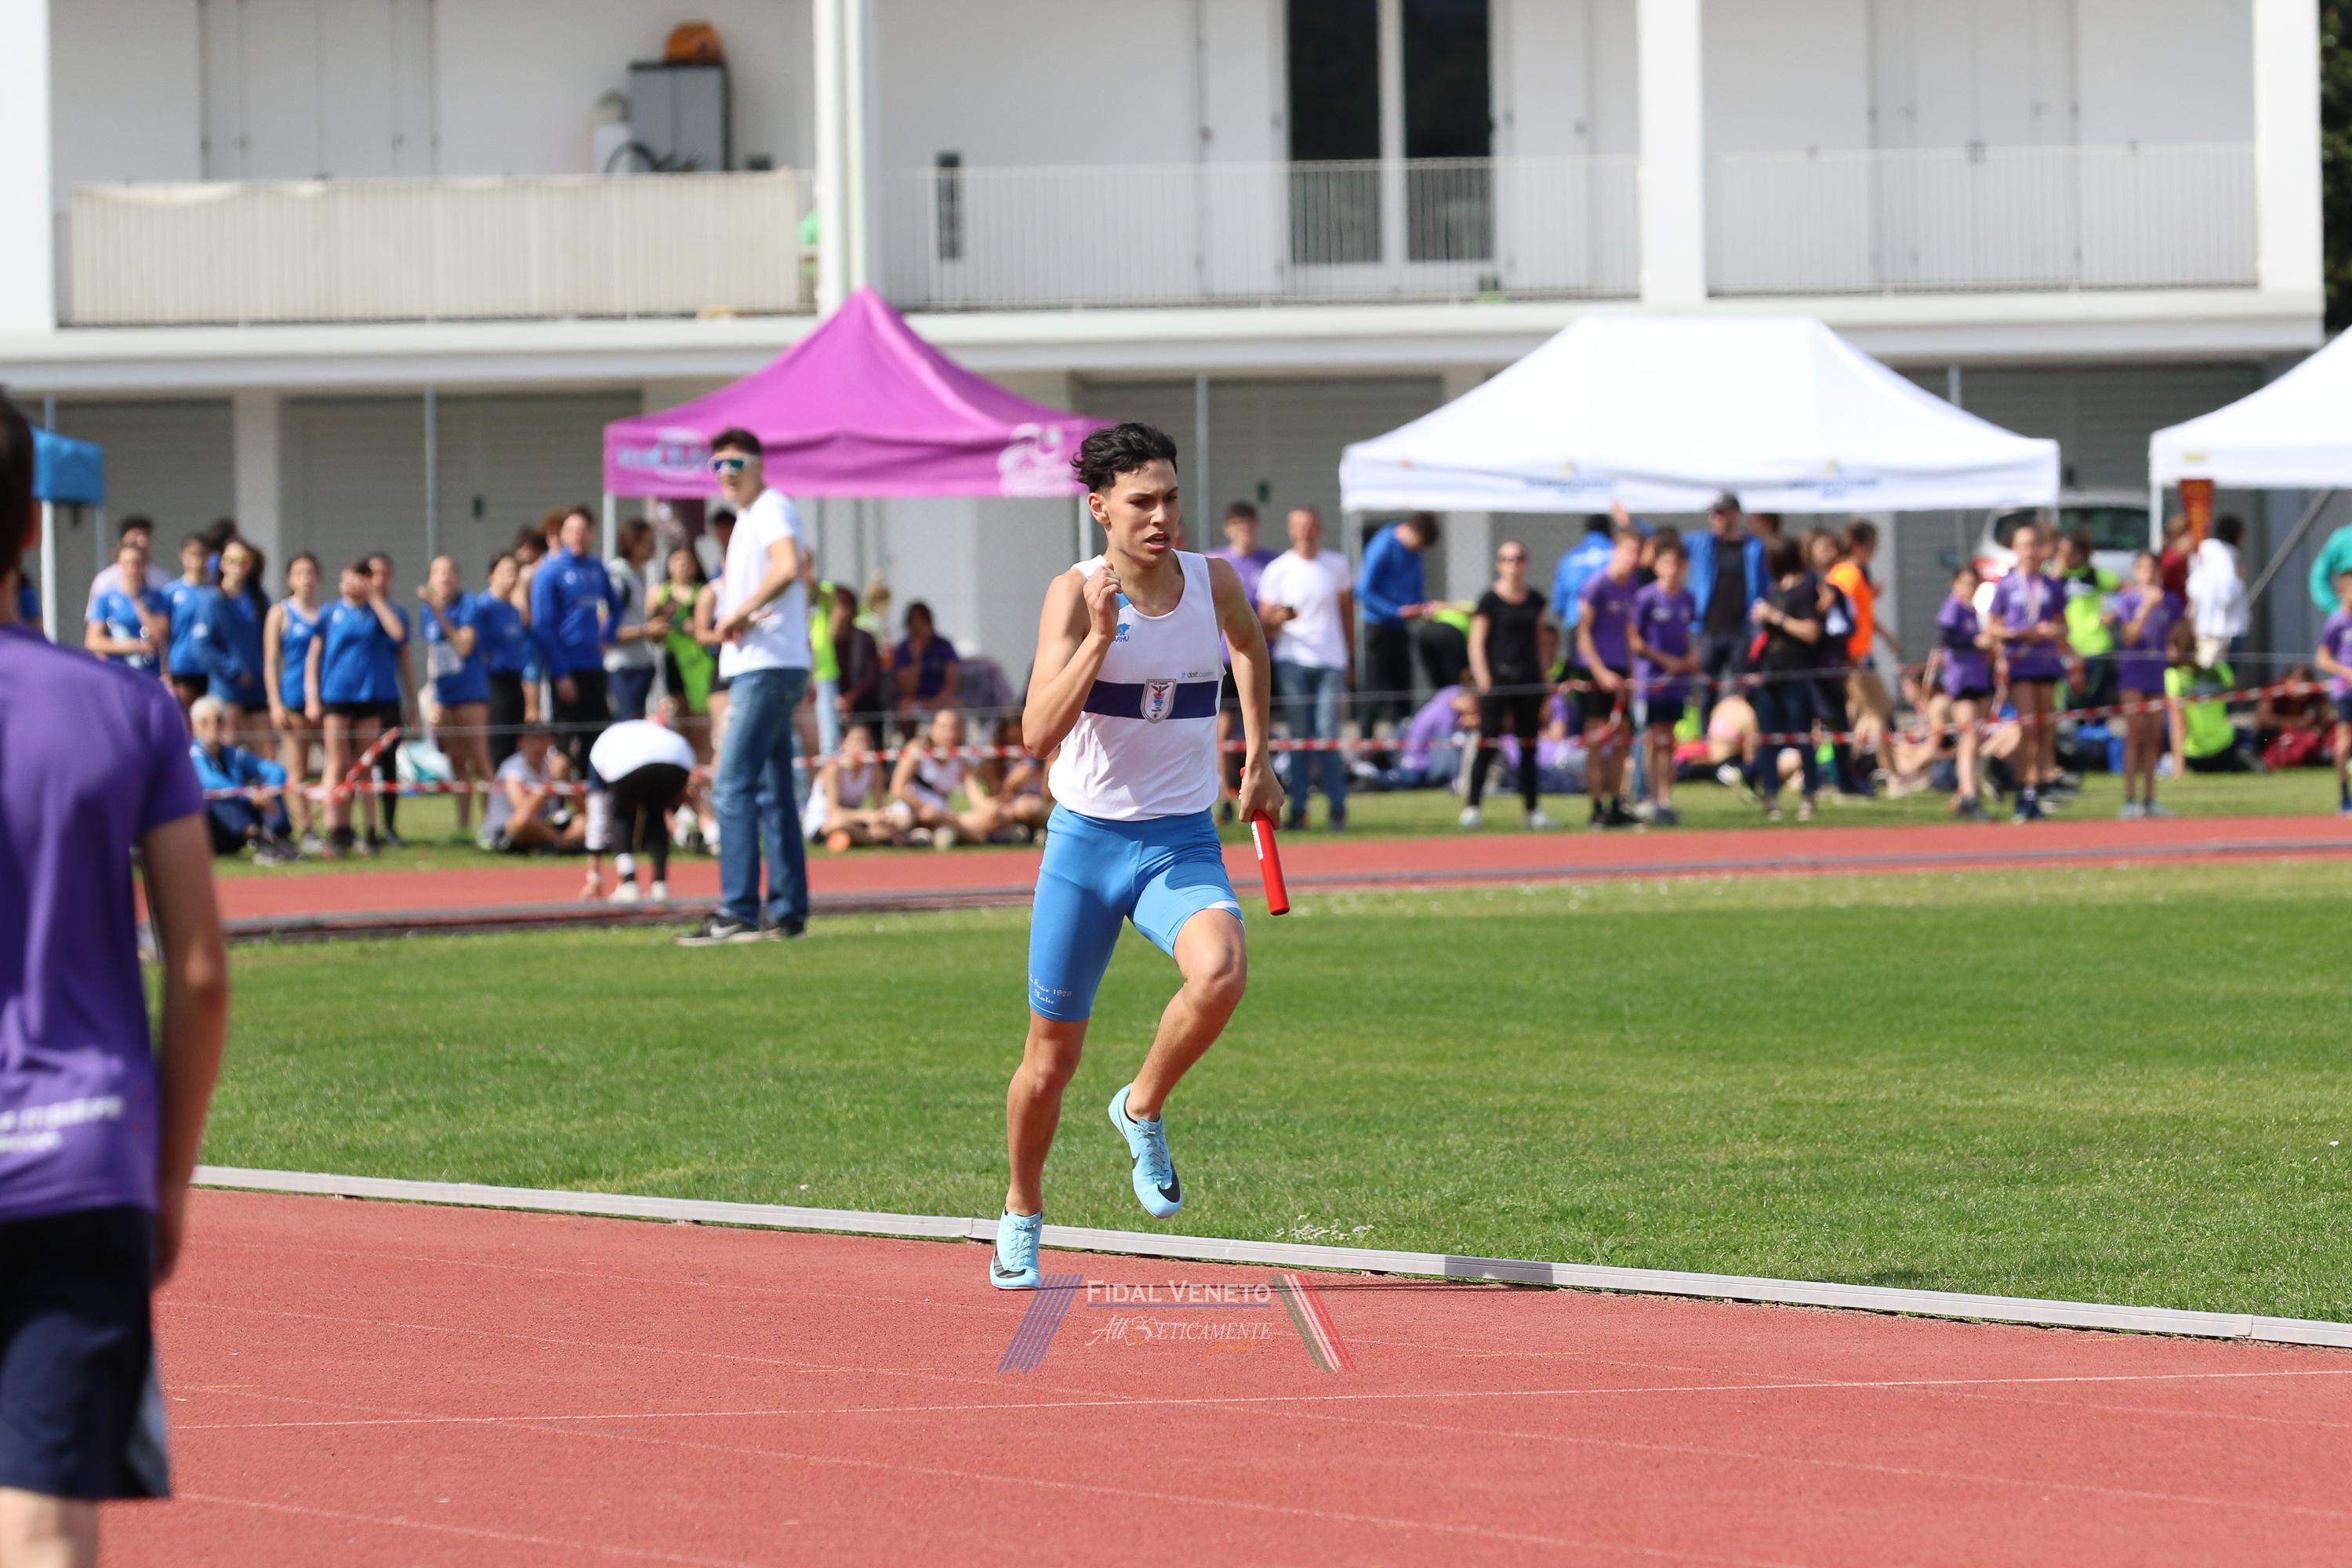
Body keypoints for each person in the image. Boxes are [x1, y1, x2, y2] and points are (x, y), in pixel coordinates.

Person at [0, 400, 228, 1564]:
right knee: (46, 1529)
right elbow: (199, 969)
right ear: (31, 529)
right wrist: (168, 1178)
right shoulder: (128, 708)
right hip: (78, 1156)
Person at [990, 421, 1281, 1292]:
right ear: (1100, 508)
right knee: (1049, 1061)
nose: (1162, 517)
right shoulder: (1073, 593)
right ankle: (1021, 1209)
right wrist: (1097, 637)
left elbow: (1248, 644)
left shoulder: (1213, 580)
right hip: (1086, 845)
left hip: (1179, 839)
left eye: (1171, 499)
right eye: (1142, 502)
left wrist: (1259, 756)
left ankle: (1142, 1104)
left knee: (1221, 972)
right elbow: (1036, 734)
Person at [676, 430, 814, 946]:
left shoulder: (770, 507)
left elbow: (787, 566)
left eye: (735, 462)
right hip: (768, 664)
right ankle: (787, 911)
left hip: (765, 667)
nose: (726, 473)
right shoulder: (750, 518)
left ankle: (737, 910)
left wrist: (738, 611)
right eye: (717, 465)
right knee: (774, 792)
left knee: (730, 785)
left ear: (758, 464)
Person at [1258, 506, 1353, 830]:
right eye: (1299, 525)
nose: (1305, 532)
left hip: (1331, 660)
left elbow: (1347, 613)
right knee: (1299, 737)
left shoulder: (1336, 564)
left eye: (1310, 525)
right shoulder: (1278, 569)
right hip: (1293, 659)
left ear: (1319, 528)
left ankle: (1337, 809)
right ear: (1290, 530)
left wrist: (1350, 658)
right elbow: (1264, 620)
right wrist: (1280, 617)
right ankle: (1298, 809)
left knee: (1328, 736)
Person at [305, 559, 407, 857]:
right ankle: (336, 829)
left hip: (368, 695)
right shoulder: (329, 613)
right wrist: (312, 697)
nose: (351, 584)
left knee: (365, 764)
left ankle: (371, 831)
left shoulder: (375, 613)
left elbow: (398, 635)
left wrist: (374, 596)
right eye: (347, 578)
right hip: (336, 695)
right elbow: (313, 658)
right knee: (337, 762)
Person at [1461, 539, 1553, 830]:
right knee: (1488, 741)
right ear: (1499, 564)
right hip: (1497, 678)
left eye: (1519, 558)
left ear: (1526, 563)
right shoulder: (1489, 599)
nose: (1514, 565)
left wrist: (1545, 676)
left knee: (1529, 745)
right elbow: (1476, 642)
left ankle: (1532, 810)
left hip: (1528, 679)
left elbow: (1541, 640)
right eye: (1507, 559)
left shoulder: (1534, 599)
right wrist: (1483, 678)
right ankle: (1473, 806)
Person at [1984, 524, 2067, 822]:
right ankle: (2023, 790)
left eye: (2034, 545)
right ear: (2016, 549)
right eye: (2023, 545)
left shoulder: (2051, 585)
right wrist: (2021, 633)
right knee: (2028, 728)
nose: (2029, 552)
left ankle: (2037, 789)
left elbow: (2064, 626)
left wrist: (2052, 631)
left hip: (2046, 662)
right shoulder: (2007, 585)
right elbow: (1993, 627)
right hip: (2020, 663)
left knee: (2045, 729)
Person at [530, 507, 621, 779]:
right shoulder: (550, 571)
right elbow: (542, 626)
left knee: (598, 737)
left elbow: (616, 606)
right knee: (564, 741)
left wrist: (607, 637)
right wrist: (560, 674)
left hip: (594, 665)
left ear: (592, 534)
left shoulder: (596, 568)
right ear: (562, 534)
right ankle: (559, 799)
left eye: (583, 531)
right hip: (566, 669)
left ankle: (594, 794)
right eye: (572, 531)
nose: (578, 536)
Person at [1207, 501, 1278, 819]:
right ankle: (1224, 794)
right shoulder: (1214, 563)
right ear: (1228, 529)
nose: (1244, 530)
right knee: (1222, 731)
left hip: (1258, 657)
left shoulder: (1272, 563)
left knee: (1260, 728)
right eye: (1238, 524)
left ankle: (1261, 784)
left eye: (1249, 524)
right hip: (1222, 659)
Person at [1747, 536, 1824, 822]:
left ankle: (1809, 794)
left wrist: (1776, 617)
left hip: (1796, 672)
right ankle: (1770, 795)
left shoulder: (1805, 591)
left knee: (1802, 736)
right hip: (1769, 672)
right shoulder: (1773, 589)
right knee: (1769, 738)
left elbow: (1811, 632)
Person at [417, 556, 493, 840]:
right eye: (438, 572)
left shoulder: (468, 604)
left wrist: (440, 615)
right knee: (457, 763)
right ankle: (463, 827)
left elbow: (464, 645)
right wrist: (434, 696)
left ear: (457, 578)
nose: (444, 577)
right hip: (445, 694)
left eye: (449, 572)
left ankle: (490, 825)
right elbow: (434, 655)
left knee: (480, 760)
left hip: (470, 693)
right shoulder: (426, 611)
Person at [1572, 527, 1643, 829]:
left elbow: (1629, 631)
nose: (1633, 558)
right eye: (1628, 551)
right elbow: (1582, 632)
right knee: (1597, 737)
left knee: (1623, 736)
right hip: (1594, 670)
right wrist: (1600, 672)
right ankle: (1597, 806)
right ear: (1616, 551)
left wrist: (1633, 671)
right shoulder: (1597, 584)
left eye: (1637, 553)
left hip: (1621, 669)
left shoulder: (1633, 586)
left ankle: (1618, 803)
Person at [2106, 550, 2184, 820]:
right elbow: (2130, 636)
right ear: (2136, 572)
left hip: (2156, 670)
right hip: (2133, 671)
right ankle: (2130, 798)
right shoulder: (2127, 599)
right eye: (2143, 569)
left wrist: (2174, 642)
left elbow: (2179, 628)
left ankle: (2150, 799)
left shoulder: (2169, 600)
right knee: (2135, 732)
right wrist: (2146, 607)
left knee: (2153, 734)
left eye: (2153, 569)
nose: (2149, 574)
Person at [584, 717, 695, 903]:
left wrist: (594, 876)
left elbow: (598, 817)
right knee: (656, 812)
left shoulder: (602, 745)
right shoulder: (650, 731)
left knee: (622, 815)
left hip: (631, 765)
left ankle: (629, 884)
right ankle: (660, 884)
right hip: (680, 758)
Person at [1630, 536, 1698, 826]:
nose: (1672, 569)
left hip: (1677, 682)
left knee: (1669, 739)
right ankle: (1649, 797)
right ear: (1656, 566)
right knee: (1654, 738)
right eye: (1666, 562)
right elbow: (1635, 640)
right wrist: (1664, 660)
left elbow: (1689, 633)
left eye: (1677, 563)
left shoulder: (1688, 598)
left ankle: (1665, 798)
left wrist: (1691, 657)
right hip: (1652, 680)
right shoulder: (1646, 597)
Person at [1826, 520, 1900, 785]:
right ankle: (1892, 774)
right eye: (1873, 544)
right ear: (1860, 546)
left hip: (1859, 654)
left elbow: (1861, 614)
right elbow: (1840, 618)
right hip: (1854, 657)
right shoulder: (1848, 574)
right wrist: (1847, 654)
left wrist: (1886, 636)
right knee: (1877, 712)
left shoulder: (1855, 574)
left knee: (1860, 714)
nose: (1875, 550)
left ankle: (1842, 770)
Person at [1356, 511, 1438, 749]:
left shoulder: (1415, 553)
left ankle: (1403, 747)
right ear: (1411, 531)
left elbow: (1413, 590)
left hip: (1400, 629)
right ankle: (1365, 745)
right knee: (1374, 691)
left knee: (1402, 692)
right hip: (1378, 627)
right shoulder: (1384, 544)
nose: (1418, 550)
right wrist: (1397, 611)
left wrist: (1422, 606)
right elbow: (1363, 591)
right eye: (1418, 545)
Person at [186, 695, 296, 863]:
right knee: (220, 797)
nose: (213, 726)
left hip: (236, 827)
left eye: (218, 720)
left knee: (269, 791)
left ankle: (282, 839)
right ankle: (261, 842)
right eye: (205, 722)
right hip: (211, 829)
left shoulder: (234, 753)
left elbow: (275, 770)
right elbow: (209, 781)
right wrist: (249, 794)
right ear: (195, 726)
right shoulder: (192, 754)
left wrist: (266, 792)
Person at [263, 553, 324, 851]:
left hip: (325, 700)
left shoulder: (326, 613)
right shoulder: (280, 612)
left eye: (310, 573)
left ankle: (337, 825)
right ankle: (306, 829)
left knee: (338, 764)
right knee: (298, 768)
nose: (305, 579)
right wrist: (275, 703)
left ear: (318, 578)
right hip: (293, 698)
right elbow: (270, 661)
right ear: (290, 579)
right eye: (299, 573)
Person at [360, 554, 417, 848]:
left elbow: (404, 661)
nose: (376, 580)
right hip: (358, 701)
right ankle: (357, 828)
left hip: (387, 697)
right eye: (371, 574)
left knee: (389, 763)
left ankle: (390, 826)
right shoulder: (353, 611)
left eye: (382, 574)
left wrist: (412, 702)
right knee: (359, 765)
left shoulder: (396, 613)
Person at [1803, 528, 1864, 799]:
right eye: (1824, 547)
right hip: (1810, 667)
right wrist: (1820, 610)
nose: (1831, 552)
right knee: (1807, 725)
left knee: (1838, 723)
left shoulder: (1834, 586)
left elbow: (1848, 624)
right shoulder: (1805, 583)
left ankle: (1844, 781)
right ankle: (1755, 772)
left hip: (1833, 665)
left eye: (1833, 546)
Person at [1936, 564, 1997, 821]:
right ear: (1955, 584)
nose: (1969, 588)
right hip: (1962, 680)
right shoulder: (1953, 607)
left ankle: (1965, 792)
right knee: (1969, 736)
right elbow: (1947, 638)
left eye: (1973, 584)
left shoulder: (1972, 610)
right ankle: (1969, 794)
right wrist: (1976, 642)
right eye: (1965, 583)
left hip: (1978, 676)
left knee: (1975, 738)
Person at [886, 708, 995, 849]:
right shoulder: (917, 748)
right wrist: (924, 807)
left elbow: (977, 799)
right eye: (943, 728)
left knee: (993, 818)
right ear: (932, 729)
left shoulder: (961, 761)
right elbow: (897, 790)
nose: (949, 734)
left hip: (943, 815)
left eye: (954, 728)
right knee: (914, 819)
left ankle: (932, 835)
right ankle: (971, 836)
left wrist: (992, 809)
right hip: (911, 809)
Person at [199, 541, 271, 750]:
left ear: (250, 564)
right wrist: (233, 670)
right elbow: (202, 646)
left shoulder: (259, 599)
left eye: (243, 560)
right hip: (227, 689)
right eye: (231, 560)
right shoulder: (212, 600)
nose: (237, 565)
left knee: (266, 751)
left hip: (257, 688)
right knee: (229, 749)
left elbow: (269, 642)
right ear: (222, 565)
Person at [650, 546, 714, 759]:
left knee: (701, 724)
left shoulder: (704, 591)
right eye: (677, 560)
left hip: (700, 664)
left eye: (687, 561)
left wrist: (696, 627)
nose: (682, 565)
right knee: (680, 722)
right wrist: (665, 619)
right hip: (674, 662)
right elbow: (653, 636)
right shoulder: (659, 593)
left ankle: (701, 768)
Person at [2167, 619, 2256, 773]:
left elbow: (2178, 725)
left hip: (2194, 757)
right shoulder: (2219, 669)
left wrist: (2178, 767)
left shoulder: (2172, 676)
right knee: (2247, 735)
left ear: (2177, 648)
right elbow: (2237, 689)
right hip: (2225, 747)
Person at [485, 724, 585, 853]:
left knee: (584, 821)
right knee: (523, 822)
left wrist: (566, 781)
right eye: (532, 741)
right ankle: (563, 844)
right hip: (508, 830)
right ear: (520, 743)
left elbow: (584, 808)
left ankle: (559, 843)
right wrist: (550, 783)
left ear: (551, 743)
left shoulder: (552, 765)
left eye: (543, 740)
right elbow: (523, 811)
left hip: (545, 825)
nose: (538, 746)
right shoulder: (512, 769)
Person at [2053, 528, 2120, 715]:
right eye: (2062, 553)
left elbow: (2127, 591)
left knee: (2091, 700)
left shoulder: (2094, 575)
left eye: (2070, 553)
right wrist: (2058, 568)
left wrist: (2113, 611)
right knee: (2065, 700)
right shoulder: (2054, 577)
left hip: (2094, 645)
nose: (2066, 557)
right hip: (2065, 646)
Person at [602, 517, 662, 722]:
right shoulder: (618, 576)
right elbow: (606, 630)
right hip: (623, 667)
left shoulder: (636, 574)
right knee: (626, 726)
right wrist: (647, 630)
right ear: (632, 543)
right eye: (648, 541)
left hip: (640, 664)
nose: (654, 547)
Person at [804, 721, 898, 850]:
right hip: (825, 822)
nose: (861, 746)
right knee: (839, 823)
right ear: (843, 744)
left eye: (865, 741)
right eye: (856, 741)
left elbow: (879, 807)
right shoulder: (834, 769)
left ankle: (851, 838)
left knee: (894, 825)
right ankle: (875, 841)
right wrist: (867, 816)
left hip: (855, 822)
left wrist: (884, 818)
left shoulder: (874, 768)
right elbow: (833, 811)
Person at [477, 553, 534, 770]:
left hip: (514, 680)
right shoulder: (483, 607)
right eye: (506, 572)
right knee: (499, 743)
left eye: (515, 572)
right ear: (492, 575)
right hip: (494, 681)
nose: (512, 578)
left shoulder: (513, 610)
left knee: (515, 741)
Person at [85, 537, 168, 674]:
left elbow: (160, 636)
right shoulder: (105, 599)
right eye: (127, 563)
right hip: (118, 671)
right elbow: (93, 641)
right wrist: (131, 646)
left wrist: (137, 601)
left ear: (145, 565)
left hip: (149, 672)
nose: (132, 567)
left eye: (137, 563)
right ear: (119, 565)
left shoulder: (156, 597)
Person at [2187, 514, 2249, 670]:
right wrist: (2239, 579)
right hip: (2223, 631)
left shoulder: (2204, 553)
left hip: (2202, 627)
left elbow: (2192, 588)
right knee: (2223, 677)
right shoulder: (2226, 558)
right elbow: (2226, 596)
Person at [162, 532, 214, 713]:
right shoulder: (170, 593)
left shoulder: (216, 592)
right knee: (184, 719)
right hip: (182, 666)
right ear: (183, 556)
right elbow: (162, 634)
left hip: (211, 668)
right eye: (192, 554)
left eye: (202, 554)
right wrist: (165, 670)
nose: (197, 560)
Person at [82, 515, 170, 622]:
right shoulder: (106, 579)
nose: (142, 541)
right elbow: (95, 620)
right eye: (136, 536)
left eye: (146, 535)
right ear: (121, 543)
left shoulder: (161, 577)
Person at [891, 601, 960, 737]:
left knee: (955, 704)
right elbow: (907, 689)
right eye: (913, 622)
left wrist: (935, 702)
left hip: (940, 698)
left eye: (922, 621)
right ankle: (911, 743)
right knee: (904, 708)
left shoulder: (944, 646)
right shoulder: (903, 649)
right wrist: (916, 659)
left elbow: (952, 684)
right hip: (917, 700)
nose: (918, 626)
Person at [2317, 568, 2352, 815]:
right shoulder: (2336, 622)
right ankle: (2345, 795)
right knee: (2344, 740)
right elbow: (2322, 659)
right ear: (2342, 591)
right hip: (2346, 692)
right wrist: (2347, 673)